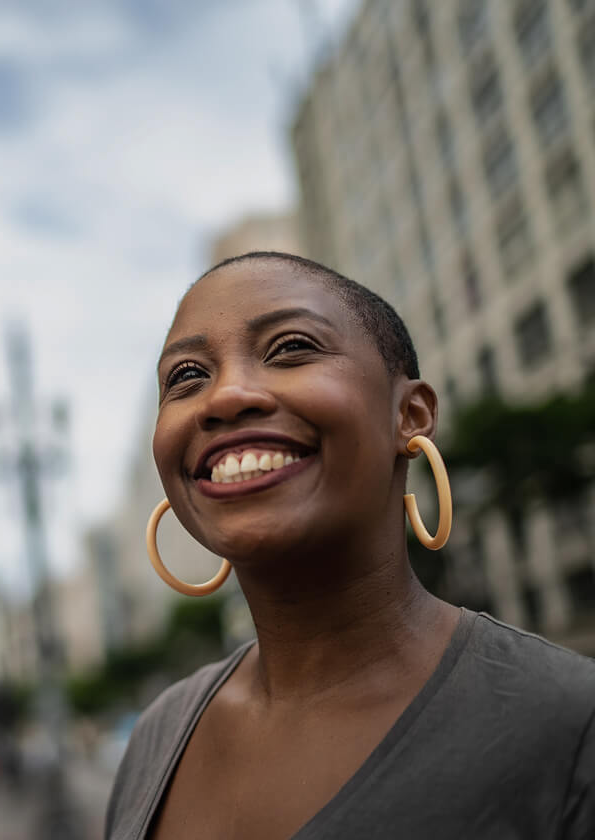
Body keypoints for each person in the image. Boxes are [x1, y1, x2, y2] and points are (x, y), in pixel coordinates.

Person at [104, 252, 595, 839]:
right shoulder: (157, 736)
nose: (225, 396)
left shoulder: (570, 725)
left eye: (290, 348)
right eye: (186, 377)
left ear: (409, 413)